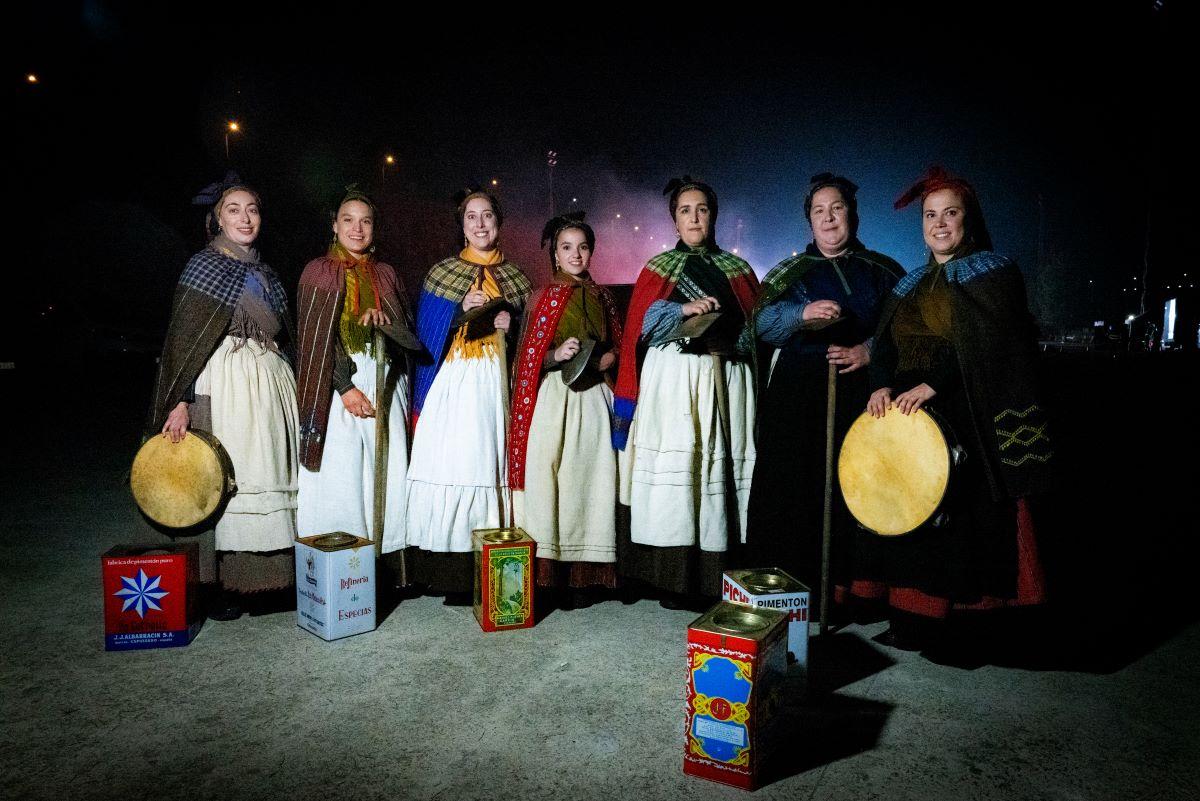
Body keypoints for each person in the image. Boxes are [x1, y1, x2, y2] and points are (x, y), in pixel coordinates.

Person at [862, 166, 1051, 647]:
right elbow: (884, 346)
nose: (939, 224)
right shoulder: (909, 284)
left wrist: (934, 386)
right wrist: (881, 385)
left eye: (950, 213)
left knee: (959, 523)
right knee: (911, 514)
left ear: (969, 219)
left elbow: (990, 345)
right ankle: (913, 619)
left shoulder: (993, 273)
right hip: (908, 415)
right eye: (930, 215)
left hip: (967, 411)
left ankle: (965, 629)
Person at [743, 173, 903, 606]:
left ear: (852, 213)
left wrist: (868, 351)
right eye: (819, 211)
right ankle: (789, 596)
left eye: (837, 208)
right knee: (794, 491)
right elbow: (760, 326)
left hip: (860, 398)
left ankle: (854, 594)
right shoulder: (789, 274)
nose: (829, 218)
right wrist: (801, 314)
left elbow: (905, 330)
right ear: (809, 221)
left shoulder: (883, 271)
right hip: (796, 401)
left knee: (856, 488)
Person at [148, 172, 298, 620]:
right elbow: (184, 340)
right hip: (225, 382)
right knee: (226, 479)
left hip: (268, 380)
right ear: (216, 220)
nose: (245, 218)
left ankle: (274, 580)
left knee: (270, 467)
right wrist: (179, 401)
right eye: (234, 210)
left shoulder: (265, 272)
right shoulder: (204, 267)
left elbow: (284, 334)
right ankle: (224, 586)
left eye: (252, 209)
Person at [614, 176, 760, 605]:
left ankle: (718, 576)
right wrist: (680, 310)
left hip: (725, 382)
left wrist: (734, 342)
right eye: (685, 210)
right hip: (674, 383)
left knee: (717, 470)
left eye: (701, 209)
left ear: (712, 215)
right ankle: (674, 578)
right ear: (674, 220)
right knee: (682, 473)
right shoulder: (658, 270)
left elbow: (756, 330)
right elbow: (641, 331)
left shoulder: (739, 272)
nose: (694, 218)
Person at [404, 189, 531, 597]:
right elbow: (425, 335)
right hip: (455, 379)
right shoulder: (442, 274)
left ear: (499, 222)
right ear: (461, 226)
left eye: (487, 216)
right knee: (454, 461)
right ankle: (449, 570)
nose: (480, 224)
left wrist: (511, 328)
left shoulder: (518, 279)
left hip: (495, 381)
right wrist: (459, 311)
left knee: (487, 462)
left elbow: (533, 341)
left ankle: (492, 565)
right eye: (471, 217)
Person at [296, 187, 419, 556]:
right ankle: (342, 559)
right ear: (334, 225)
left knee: (386, 469)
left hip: (383, 378)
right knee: (342, 473)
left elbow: (408, 335)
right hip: (338, 383)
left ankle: (385, 557)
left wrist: (388, 324)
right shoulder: (318, 271)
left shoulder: (386, 274)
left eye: (365, 221)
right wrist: (345, 387)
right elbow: (314, 338)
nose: (357, 229)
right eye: (348, 220)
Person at [508, 212, 623, 608]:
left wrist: (611, 357)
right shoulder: (542, 297)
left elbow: (618, 343)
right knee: (549, 479)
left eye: (583, 247)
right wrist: (557, 353)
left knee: (588, 482)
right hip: (556, 397)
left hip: (593, 399)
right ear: (555, 255)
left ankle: (584, 575)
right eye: (567, 248)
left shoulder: (604, 296)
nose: (576, 255)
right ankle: (549, 574)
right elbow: (526, 357)